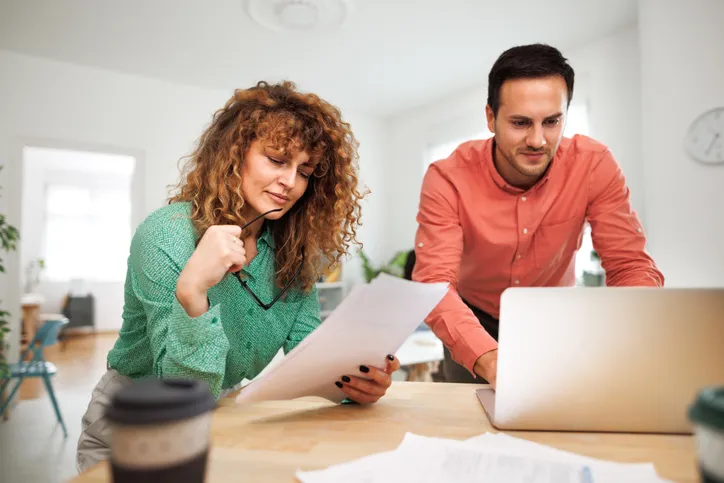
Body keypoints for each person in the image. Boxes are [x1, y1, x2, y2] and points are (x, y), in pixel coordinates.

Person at [76, 81, 401, 472]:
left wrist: (353, 384)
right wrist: (193, 290)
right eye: (277, 160)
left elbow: (309, 357)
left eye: (305, 171)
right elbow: (180, 389)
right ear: (233, 155)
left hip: (222, 412)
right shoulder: (166, 235)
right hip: (133, 420)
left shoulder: (293, 252)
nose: (291, 182)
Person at [412, 44, 664, 388]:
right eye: (519, 123)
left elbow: (629, 265)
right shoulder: (447, 177)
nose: (537, 140)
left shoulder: (593, 164)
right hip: (471, 320)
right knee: (470, 428)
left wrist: (637, 330)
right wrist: (489, 360)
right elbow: (434, 284)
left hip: (554, 319)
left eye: (551, 122)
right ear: (490, 117)